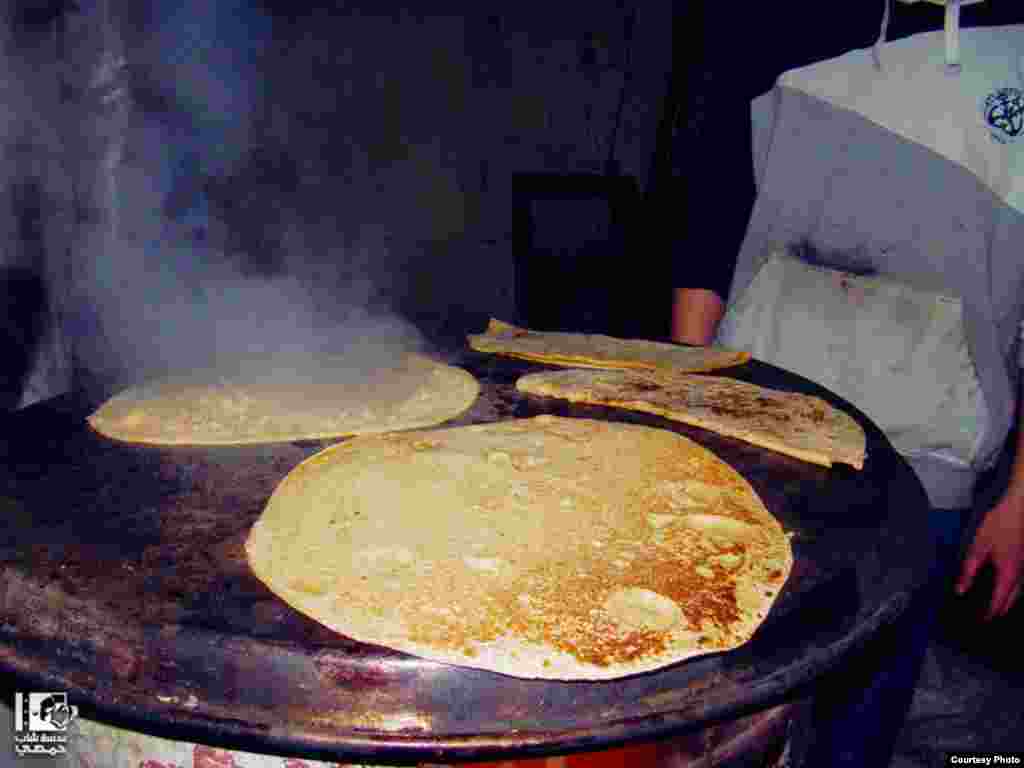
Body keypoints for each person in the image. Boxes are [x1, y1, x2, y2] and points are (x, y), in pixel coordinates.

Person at [669, 4, 1024, 766]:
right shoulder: (774, 23)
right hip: (756, 432)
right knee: (727, 699)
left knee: (864, 713)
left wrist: (1023, 497)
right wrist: (686, 404)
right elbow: (710, 221)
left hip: (931, 458)